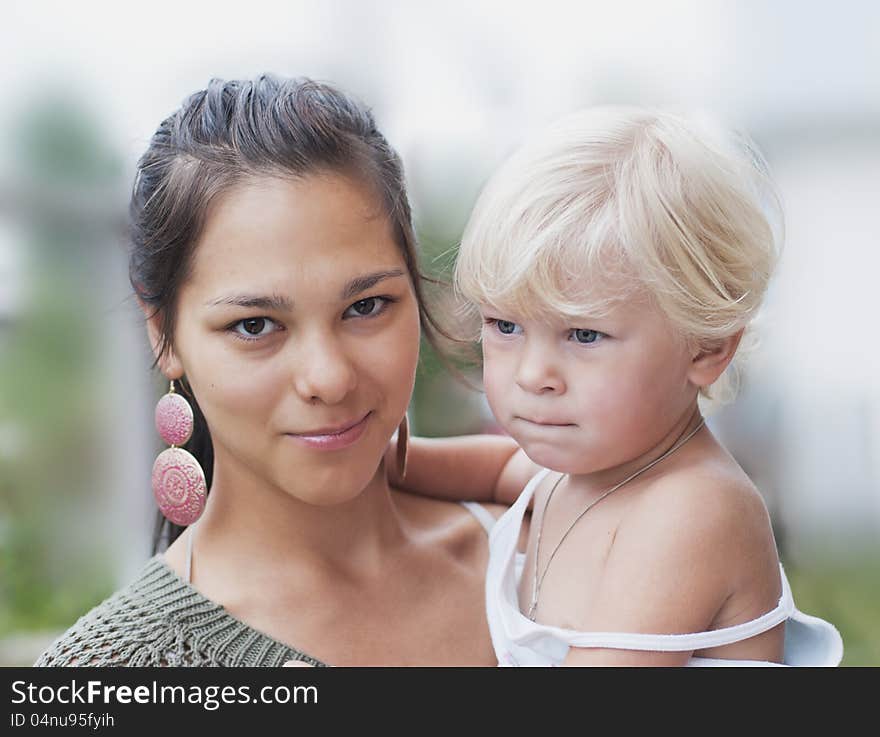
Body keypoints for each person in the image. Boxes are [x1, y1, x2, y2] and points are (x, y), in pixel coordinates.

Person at [34, 74, 522, 667]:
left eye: (365, 307)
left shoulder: (552, 556)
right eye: (256, 325)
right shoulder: (114, 675)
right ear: (162, 331)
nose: (329, 378)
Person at [392, 106, 843, 666]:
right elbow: (493, 468)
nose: (533, 375)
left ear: (706, 347)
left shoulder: (693, 510)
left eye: (583, 335)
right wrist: (375, 463)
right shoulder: (575, 473)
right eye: (505, 326)